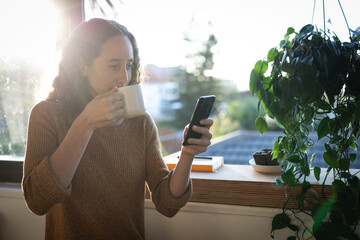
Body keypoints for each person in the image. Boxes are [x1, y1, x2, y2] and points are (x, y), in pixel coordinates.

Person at [22, 18, 213, 239]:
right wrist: (85, 124)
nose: (125, 77)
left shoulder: (139, 122)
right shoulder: (47, 115)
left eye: (129, 65)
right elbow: (37, 201)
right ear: (83, 65)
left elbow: (166, 202)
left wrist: (187, 155)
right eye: (114, 65)